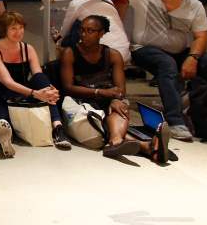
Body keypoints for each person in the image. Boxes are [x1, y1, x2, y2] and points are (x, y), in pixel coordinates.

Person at [58, 0, 207, 142]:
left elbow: (201, 37)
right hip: (144, 49)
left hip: (179, 51)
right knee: (166, 64)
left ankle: (194, 104)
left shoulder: (194, 6)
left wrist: (193, 57)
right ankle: (175, 121)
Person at [58, 15, 169, 163]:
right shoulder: (70, 53)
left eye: (90, 31)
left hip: (106, 99)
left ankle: (117, 143)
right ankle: (146, 146)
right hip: (81, 102)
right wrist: (99, 92)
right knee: (103, 120)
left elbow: (120, 89)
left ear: (101, 33)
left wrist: (116, 99)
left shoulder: (113, 55)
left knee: (119, 107)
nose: (84, 34)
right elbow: (68, 88)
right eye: (82, 30)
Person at [0, 11, 71, 157]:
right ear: (4, 30)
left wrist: (49, 89)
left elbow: (38, 75)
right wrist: (35, 93)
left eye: (21, 28)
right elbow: (7, 81)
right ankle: (5, 142)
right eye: (13, 28)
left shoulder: (27, 48)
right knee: (3, 121)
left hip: (21, 97)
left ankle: (58, 127)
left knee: (41, 78)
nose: (18, 32)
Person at [54, 0, 131, 63]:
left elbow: (65, 30)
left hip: (103, 57)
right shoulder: (107, 0)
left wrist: (58, 41)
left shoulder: (77, 2)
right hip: (124, 53)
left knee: (65, 44)